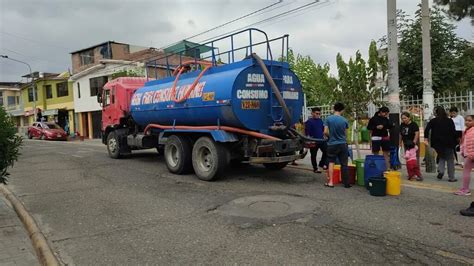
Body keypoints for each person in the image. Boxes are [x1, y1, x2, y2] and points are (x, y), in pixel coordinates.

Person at [425, 106, 457, 182]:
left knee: (442, 156)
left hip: (437, 143)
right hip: (448, 142)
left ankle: (441, 171)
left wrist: (426, 139)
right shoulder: (449, 121)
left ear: (436, 113)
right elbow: (453, 132)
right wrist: (456, 140)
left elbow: (426, 130)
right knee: (450, 159)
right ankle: (451, 177)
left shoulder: (433, 121)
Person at [324, 102, 350, 188]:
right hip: (342, 144)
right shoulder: (344, 120)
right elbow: (346, 135)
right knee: (344, 164)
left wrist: (330, 136)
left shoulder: (328, 119)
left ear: (334, 109)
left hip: (332, 144)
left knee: (331, 162)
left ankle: (331, 182)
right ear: (342, 110)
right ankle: (346, 183)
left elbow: (325, 132)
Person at [455, 115, 473, 196]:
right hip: (467, 154)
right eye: (466, 120)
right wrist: (462, 151)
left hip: (470, 155)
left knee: (466, 172)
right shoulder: (466, 130)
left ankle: (466, 189)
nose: (467, 122)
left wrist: (471, 154)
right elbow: (463, 142)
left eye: (470, 120)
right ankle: (465, 188)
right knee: (466, 172)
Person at [305, 107, 327, 173]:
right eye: (317, 113)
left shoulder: (320, 121)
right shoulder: (309, 122)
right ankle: (315, 168)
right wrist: (309, 141)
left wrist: (324, 136)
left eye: (319, 114)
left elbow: (323, 130)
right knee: (313, 155)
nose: (318, 115)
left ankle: (321, 164)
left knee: (327, 152)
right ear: (312, 113)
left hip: (321, 140)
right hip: (313, 141)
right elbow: (307, 132)